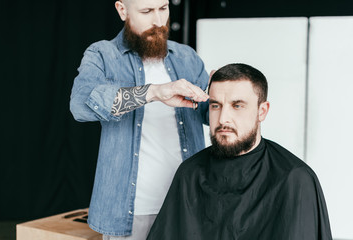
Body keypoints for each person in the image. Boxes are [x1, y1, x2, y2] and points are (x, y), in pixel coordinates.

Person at [69, 0, 210, 239]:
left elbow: (207, 114)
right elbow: (80, 105)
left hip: (188, 206)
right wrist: (154, 92)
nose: (158, 21)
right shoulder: (103, 54)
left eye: (163, 8)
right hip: (129, 213)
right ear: (122, 10)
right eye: (146, 11)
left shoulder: (187, 57)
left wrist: (224, 93)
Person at [147, 63, 333, 240]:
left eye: (237, 106)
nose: (223, 119)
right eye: (215, 105)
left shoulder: (294, 178)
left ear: (262, 111)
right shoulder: (190, 173)